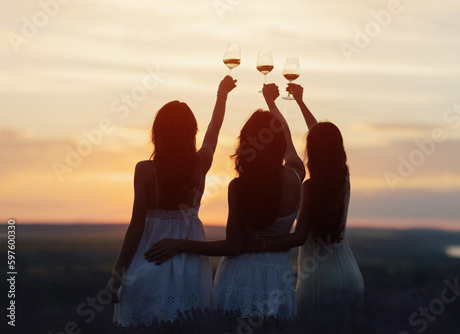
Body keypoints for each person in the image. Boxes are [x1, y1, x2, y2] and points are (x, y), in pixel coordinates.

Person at [144, 83, 306, 319]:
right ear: (280, 143)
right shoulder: (295, 174)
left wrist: (181, 244)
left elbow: (232, 247)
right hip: (278, 279)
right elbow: (287, 134)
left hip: (239, 279)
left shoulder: (240, 187)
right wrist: (272, 103)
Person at [105, 76, 237, 326]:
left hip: (148, 255)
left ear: (158, 132)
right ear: (191, 132)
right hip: (189, 259)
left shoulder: (144, 170)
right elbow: (214, 129)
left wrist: (117, 274)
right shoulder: (201, 164)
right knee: (187, 322)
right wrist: (222, 94)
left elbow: (136, 226)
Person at [243, 83, 364, 313]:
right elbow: (323, 139)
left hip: (318, 280)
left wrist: (258, 245)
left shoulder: (310, 187)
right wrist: (299, 101)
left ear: (311, 150)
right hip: (351, 276)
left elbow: (298, 238)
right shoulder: (344, 181)